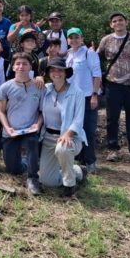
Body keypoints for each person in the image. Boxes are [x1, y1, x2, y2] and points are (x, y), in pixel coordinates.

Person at [97, 12, 130, 163]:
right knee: (111, 119)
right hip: (112, 84)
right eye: (114, 21)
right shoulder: (106, 40)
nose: (118, 23)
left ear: (126, 22)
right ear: (111, 25)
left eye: (120, 20)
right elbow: (96, 57)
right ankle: (113, 150)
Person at [39, 58, 88, 196]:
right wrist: (37, 77)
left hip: (71, 137)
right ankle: (78, 171)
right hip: (48, 137)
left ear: (66, 73)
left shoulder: (77, 92)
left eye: (60, 70)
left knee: (63, 148)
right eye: (52, 70)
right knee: (47, 181)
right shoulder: (46, 89)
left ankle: (70, 184)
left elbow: (78, 120)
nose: (56, 73)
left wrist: (68, 134)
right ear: (48, 73)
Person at [0, 52, 44, 195]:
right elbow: (1, 112)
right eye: (18, 63)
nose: (21, 66)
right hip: (11, 131)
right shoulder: (5, 87)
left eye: (25, 64)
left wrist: (38, 125)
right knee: (12, 169)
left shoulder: (39, 87)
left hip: (30, 129)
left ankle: (32, 178)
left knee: (32, 142)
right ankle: (30, 163)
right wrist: (7, 128)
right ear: (13, 67)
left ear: (31, 67)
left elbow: (42, 112)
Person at [65, 28, 102, 173]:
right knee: (74, 129)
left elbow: (97, 75)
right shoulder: (68, 54)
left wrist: (94, 94)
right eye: (71, 37)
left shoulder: (89, 53)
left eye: (76, 37)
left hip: (87, 96)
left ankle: (91, 161)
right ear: (67, 40)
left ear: (82, 38)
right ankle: (78, 158)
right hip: (72, 97)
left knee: (89, 129)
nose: (74, 40)